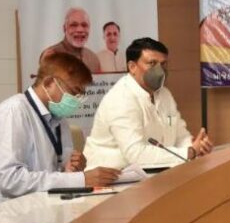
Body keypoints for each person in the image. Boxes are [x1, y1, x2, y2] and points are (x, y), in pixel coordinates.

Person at [0, 54, 120, 210]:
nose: (76, 100)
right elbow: (11, 181)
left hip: (40, 207)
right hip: (2, 213)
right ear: (49, 83)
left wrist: (71, 169)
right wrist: (80, 180)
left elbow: (53, 175)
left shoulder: (59, 120)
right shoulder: (14, 111)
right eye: (74, 92)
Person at [85, 38, 213, 169]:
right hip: (111, 176)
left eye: (163, 64)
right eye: (152, 63)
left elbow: (180, 137)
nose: (160, 70)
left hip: (154, 172)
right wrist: (188, 152)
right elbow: (136, 154)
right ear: (132, 67)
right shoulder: (121, 98)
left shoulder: (164, 94)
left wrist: (197, 147)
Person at [40, 7, 102, 73]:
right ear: (64, 28)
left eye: (84, 25)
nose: (80, 30)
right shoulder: (51, 55)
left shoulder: (93, 59)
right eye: (74, 25)